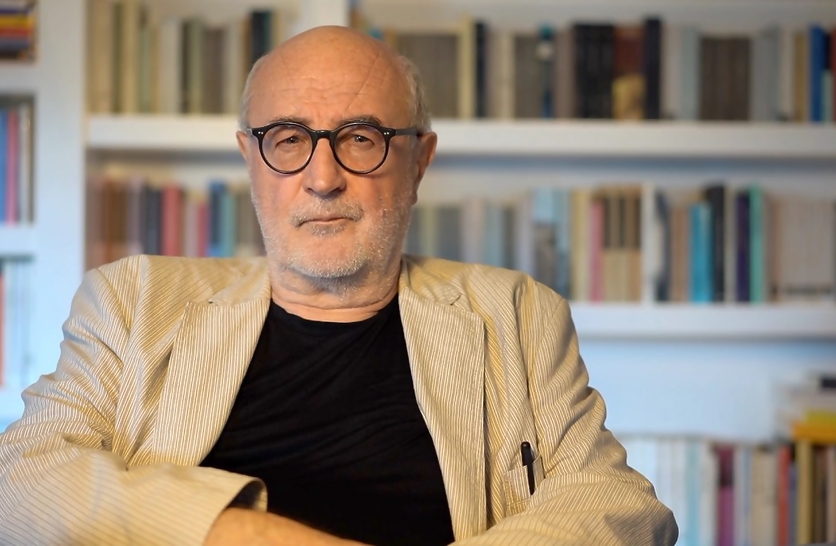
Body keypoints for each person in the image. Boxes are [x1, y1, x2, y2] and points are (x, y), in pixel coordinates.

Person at [0, 25, 677, 546]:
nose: (322, 179)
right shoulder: (135, 300)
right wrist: (253, 535)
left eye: (360, 138)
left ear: (418, 161)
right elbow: (22, 483)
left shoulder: (517, 312)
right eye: (288, 139)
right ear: (250, 158)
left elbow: (620, 508)